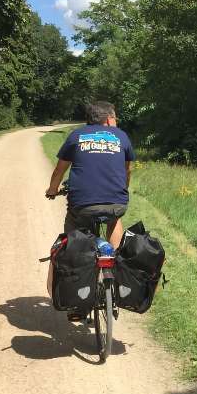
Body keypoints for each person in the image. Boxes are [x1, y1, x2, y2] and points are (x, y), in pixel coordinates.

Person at [45, 101, 135, 311]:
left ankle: (78, 282)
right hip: (116, 202)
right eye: (115, 118)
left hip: (82, 205)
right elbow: (127, 170)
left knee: (74, 231)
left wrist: (52, 190)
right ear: (109, 119)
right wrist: (123, 189)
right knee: (114, 218)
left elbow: (59, 170)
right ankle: (114, 264)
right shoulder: (121, 136)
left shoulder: (77, 136)